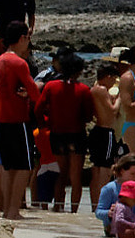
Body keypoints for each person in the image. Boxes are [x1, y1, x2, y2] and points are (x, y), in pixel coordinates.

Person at [0, 22, 41, 220]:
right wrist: (32, 91)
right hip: (17, 120)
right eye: (27, 38)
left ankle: (7, 209)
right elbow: (35, 93)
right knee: (24, 167)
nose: (28, 42)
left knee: (9, 168)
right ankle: (13, 210)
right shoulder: (19, 63)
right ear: (21, 38)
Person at [35, 51, 93, 213]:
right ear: (79, 71)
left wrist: (44, 125)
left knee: (59, 175)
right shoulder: (83, 90)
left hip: (57, 134)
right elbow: (88, 115)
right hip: (77, 135)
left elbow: (38, 110)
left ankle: (58, 206)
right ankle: (74, 211)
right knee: (75, 178)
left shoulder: (51, 87)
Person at [87, 60, 122, 204]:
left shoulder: (95, 89)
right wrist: (120, 98)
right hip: (106, 131)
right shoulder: (101, 89)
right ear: (108, 76)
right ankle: (100, 203)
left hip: (98, 130)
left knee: (96, 170)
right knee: (104, 170)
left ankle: (95, 204)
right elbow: (113, 111)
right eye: (113, 78)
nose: (114, 82)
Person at [96, 153, 135, 237]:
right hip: (112, 231)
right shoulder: (109, 189)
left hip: (132, 229)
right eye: (132, 174)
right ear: (122, 171)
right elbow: (98, 212)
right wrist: (108, 213)